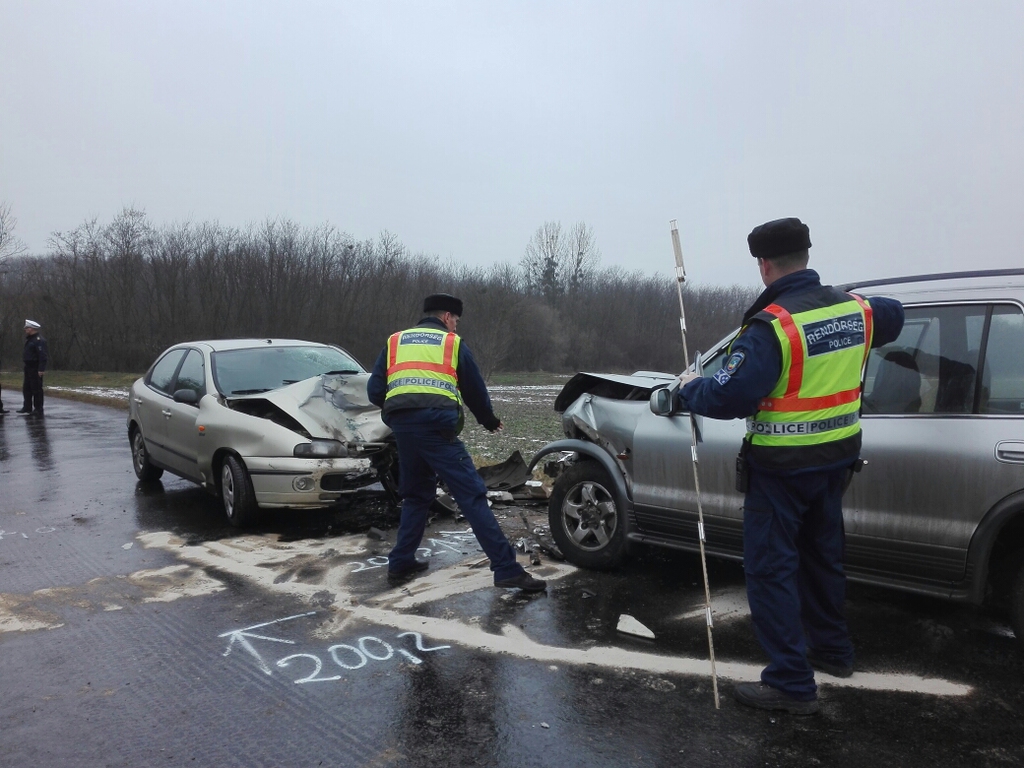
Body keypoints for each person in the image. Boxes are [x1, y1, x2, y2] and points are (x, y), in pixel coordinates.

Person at [679, 218, 904, 714]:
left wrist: (687, 388)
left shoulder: (773, 326)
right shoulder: (858, 310)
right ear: (806, 253)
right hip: (836, 462)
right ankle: (833, 652)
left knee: (772, 569)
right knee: (823, 558)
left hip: (781, 471)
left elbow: (728, 395)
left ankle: (790, 682)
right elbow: (896, 314)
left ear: (764, 265)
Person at [367, 293, 546, 592]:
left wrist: (403, 410)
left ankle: (400, 563)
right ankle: (506, 569)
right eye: (456, 322)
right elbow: (474, 390)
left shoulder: (394, 341)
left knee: (416, 495)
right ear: (448, 317)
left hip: (403, 429)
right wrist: (488, 420)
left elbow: (374, 391)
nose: (456, 328)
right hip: (437, 430)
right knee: (472, 495)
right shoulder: (451, 343)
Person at [18, 319, 48, 416]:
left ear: (31, 329)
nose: (25, 330)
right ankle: (27, 407)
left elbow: (42, 355)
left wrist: (41, 369)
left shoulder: (39, 340)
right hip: (28, 367)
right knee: (27, 388)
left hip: (35, 367)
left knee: (36, 389)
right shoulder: (30, 339)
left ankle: (38, 409)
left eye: (26, 328)